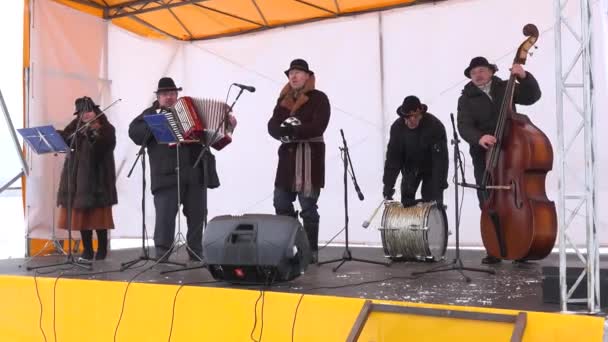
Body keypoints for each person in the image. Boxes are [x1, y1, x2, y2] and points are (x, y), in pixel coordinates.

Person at [457, 56, 542, 264]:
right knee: (487, 200)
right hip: (484, 155)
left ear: (491, 72)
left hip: (512, 150)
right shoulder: (466, 98)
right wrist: (479, 138)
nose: (477, 74)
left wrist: (524, 76)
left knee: (516, 197)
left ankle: (520, 245)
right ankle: (494, 247)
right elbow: (464, 126)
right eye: (473, 72)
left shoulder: (506, 87)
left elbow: (532, 96)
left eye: (481, 70)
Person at [128, 77, 219, 262]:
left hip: (195, 173)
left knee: (197, 215)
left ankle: (195, 252)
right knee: (165, 218)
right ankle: (162, 255)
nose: (169, 97)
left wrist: (227, 124)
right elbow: (134, 132)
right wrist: (155, 123)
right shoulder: (151, 113)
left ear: (177, 95)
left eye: (172, 93)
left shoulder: (191, 112)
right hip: (166, 175)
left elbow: (212, 136)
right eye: (164, 94)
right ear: (158, 97)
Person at [268, 59, 331, 263]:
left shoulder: (319, 98)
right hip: (287, 160)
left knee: (308, 207)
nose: (293, 76)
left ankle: (311, 250)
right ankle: (293, 244)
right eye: (290, 73)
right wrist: (280, 131)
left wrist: (295, 130)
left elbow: (319, 126)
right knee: (280, 202)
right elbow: (272, 125)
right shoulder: (283, 100)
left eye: (297, 73)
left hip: (309, 159)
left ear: (307, 76)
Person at [57, 96, 117, 262]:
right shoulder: (75, 127)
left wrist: (92, 134)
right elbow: (66, 139)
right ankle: (88, 250)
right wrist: (58, 136)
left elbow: (105, 146)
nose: (86, 115)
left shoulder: (106, 128)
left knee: (99, 218)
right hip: (78, 180)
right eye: (82, 113)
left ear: (95, 110)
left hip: (98, 180)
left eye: (89, 111)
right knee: (82, 217)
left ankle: (102, 249)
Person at [382, 96, 449, 208]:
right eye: (408, 117)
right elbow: (393, 159)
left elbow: (440, 160)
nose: (412, 120)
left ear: (421, 115)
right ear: (403, 117)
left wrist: (439, 186)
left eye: (416, 116)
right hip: (410, 167)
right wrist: (388, 185)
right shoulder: (397, 128)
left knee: (431, 203)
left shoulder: (435, 126)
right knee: (407, 203)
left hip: (431, 168)